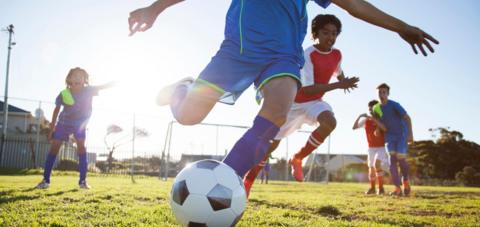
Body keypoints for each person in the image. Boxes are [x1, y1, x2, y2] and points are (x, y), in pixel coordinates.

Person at [128, 0, 438, 186]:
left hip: (283, 55)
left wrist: (401, 26)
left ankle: (225, 181)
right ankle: (184, 89)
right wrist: (155, 8)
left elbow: (354, 5)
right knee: (188, 117)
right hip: (236, 51)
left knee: (276, 111)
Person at [243, 14, 358, 197]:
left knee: (330, 122)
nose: (330, 37)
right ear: (316, 34)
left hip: (314, 103)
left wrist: (344, 80)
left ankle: (298, 158)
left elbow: (337, 71)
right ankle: (248, 180)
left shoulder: (337, 54)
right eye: (326, 32)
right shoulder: (308, 54)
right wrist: (339, 85)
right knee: (271, 146)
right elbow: (309, 89)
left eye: (334, 33)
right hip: (294, 103)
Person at [35, 67, 114, 189]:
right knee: (54, 149)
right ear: (69, 79)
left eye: (80, 76)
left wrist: (114, 83)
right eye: (74, 75)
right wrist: (52, 129)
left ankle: (82, 181)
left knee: (81, 149)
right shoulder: (64, 93)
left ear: (84, 80)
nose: (77, 77)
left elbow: (103, 86)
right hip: (63, 123)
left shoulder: (89, 90)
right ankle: (45, 180)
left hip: (80, 125)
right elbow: (56, 110)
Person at [374, 83, 413, 196]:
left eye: (384, 92)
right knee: (392, 160)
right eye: (379, 92)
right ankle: (397, 188)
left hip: (401, 134)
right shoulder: (376, 108)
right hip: (389, 136)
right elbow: (379, 121)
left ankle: (405, 180)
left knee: (401, 158)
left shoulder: (395, 105)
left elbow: (407, 118)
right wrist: (377, 129)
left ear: (388, 93)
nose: (381, 94)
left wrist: (410, 134)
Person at [352, 100, 388, 195]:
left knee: (377, 165)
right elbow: (354, 127)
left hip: (381, 147)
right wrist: (360, 117)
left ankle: (381, 188)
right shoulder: (366, 121)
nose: (370, 110)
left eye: (372, 108)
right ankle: (372, 188)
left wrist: (376, 122)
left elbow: (385, 129)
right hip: (371, 148)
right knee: (371, 167)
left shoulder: (382, 119)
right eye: (369, 109)